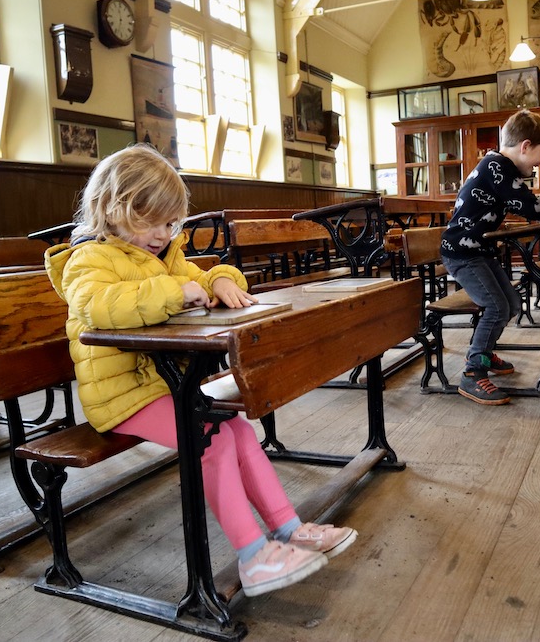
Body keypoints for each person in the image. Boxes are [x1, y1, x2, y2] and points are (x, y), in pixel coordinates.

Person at [45, 144, 356, 597]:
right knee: (208, 439)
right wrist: (175, 291)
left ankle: (288, 529)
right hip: (120, 397)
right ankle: (254, 558)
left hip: (161, 386)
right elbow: (100, 307)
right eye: (151, 221)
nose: (163, 233)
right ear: (112, 210)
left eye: (171, 223)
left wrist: (223, 279)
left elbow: (201, 275)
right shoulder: (88, 260)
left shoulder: (163, 255)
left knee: (238, 430)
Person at [440, 110, 540, 406]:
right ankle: (472, 372)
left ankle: (483, 351)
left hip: (477, 251)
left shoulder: (499, 165)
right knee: (496, 306)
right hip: (462, 253)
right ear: (525, 146)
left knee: (511, 304)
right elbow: (532, 207)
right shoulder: (498, 165)